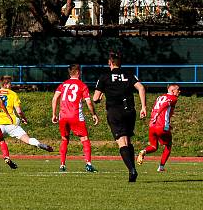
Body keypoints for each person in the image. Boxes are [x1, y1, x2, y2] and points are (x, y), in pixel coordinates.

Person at [0, 75, 53, 169]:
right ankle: (38, 144)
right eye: (10, 83)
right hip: (12, 124)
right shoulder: (13, 94)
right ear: (6, 84)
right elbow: (19, 111)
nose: (11, 85)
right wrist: (24, 118)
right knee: (27, 139)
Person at [93, 52, 147, 182]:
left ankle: (131, 170)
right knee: (128, 140)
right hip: (130, 110)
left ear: (110, 63)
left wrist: (99, 98)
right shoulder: (129, 74)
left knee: (121, 142)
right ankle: (132, 171)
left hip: (115, 111)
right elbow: (141, 88)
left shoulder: (104, 77)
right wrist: (144, 107)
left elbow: (95, 98)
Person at [51, 64, 99, 172]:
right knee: (85, 139)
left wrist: (54, 114)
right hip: (75, 115)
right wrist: (94, 114)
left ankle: (62, 165)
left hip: (63, 116)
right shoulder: (82, 85)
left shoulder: (63, 85)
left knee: (64, 139)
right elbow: (89, 102)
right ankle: (88, 164)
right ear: (78, 72)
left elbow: (54, 99)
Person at [137, 84, 180, 172]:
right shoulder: (173, 98)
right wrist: (157, 116)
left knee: (153, 146)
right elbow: (164, 105)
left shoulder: (160, 97)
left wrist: (153, 119)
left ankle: (143, 151)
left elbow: (158, 108)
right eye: (178, 90)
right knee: (168, 145)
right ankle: (161, 167)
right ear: (172, 91)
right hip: (161, 126)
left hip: (152, 125)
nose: (179, 91)